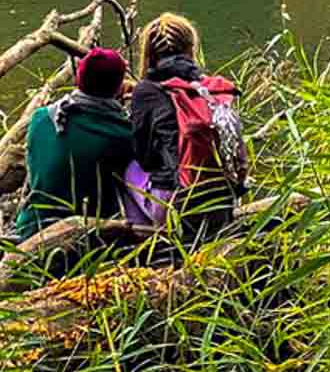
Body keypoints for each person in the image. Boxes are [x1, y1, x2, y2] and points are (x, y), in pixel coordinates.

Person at [125, 13, 244, 237]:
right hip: (223, 201)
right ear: (191, 49)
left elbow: (145, 157)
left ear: (149, 53)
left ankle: (148, 238)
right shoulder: (211, 89)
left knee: (130, 168)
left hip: (176, 208)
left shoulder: (146, 91)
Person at [13, 47, 135, 239]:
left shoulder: (41, 117)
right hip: (84, 239)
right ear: (118, 86)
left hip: (30, 229)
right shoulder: (122, 135)